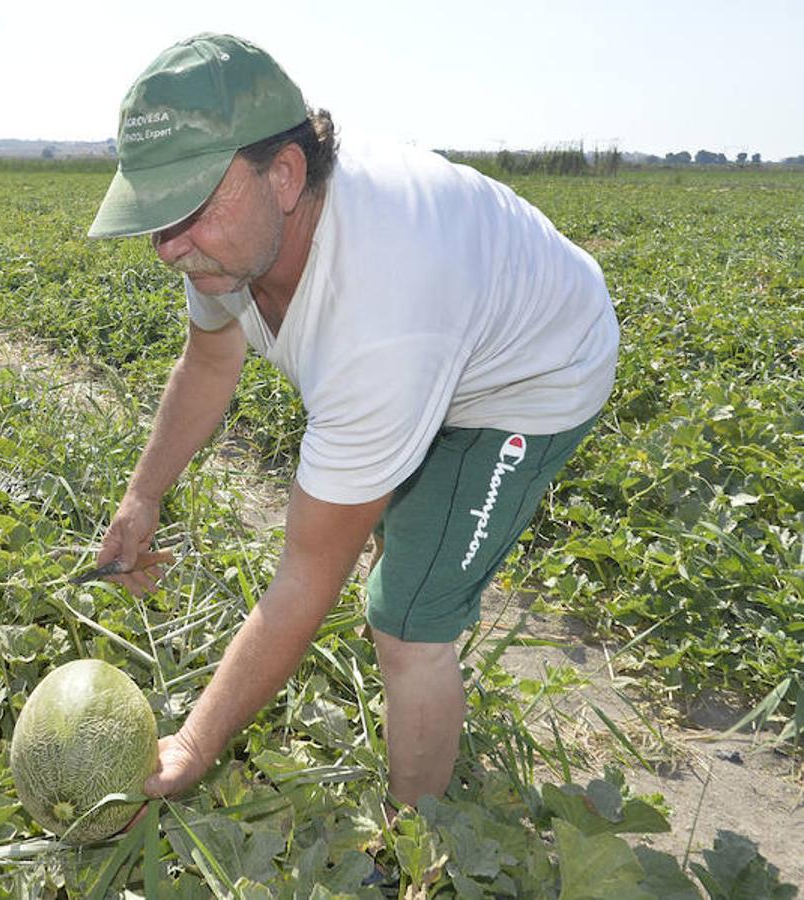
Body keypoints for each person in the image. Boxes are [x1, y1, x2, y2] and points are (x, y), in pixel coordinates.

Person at [86, 33, 618, 810]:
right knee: (385, 542)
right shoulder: (230, 241)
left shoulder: (382, 310)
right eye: (158, 218)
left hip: (531, 376)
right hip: (442, 342)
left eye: (192, 209)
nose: (169, 249)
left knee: (406, 622)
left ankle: (422, 847)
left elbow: (306, 578)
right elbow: (209, 361)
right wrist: (143, 495)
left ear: (287, 174)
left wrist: (195, 745)